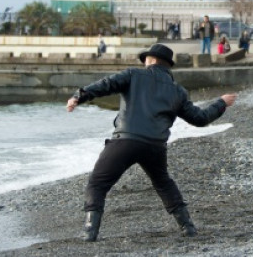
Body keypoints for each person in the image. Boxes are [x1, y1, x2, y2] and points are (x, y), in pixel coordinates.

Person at [66, 43, 237, 241]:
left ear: (151, 60)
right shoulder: (178, 91)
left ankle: (90, 231)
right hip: (155, 146)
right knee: (163, 183)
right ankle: (188, 227)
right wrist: (221, 103)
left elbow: (105, 85)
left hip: (126, 141)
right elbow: (199, 119)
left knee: (97, 184)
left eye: (145, 59)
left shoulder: (133, 75)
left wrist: (79, 97)